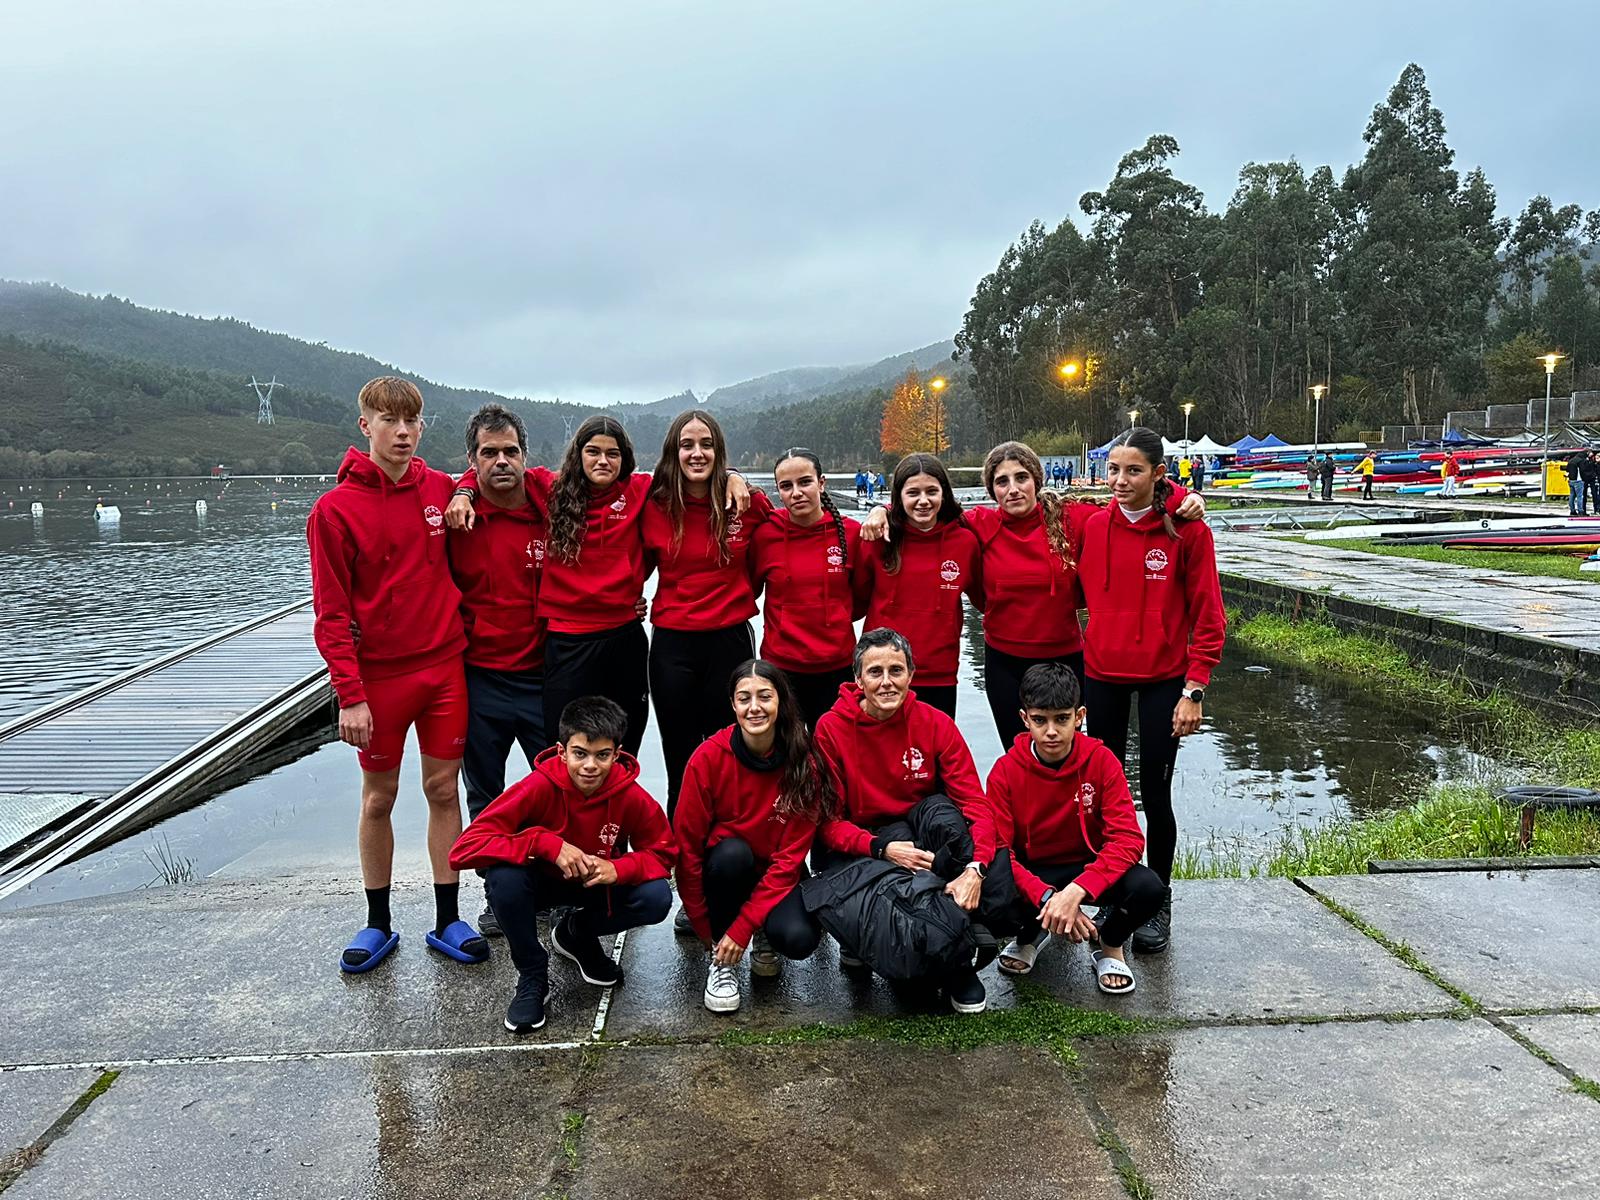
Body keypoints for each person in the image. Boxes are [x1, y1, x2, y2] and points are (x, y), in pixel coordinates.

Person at [307, 377, 483, 975]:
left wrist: (462, 490)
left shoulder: (437, 487)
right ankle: (378, 922)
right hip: (378, 682)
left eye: (412, 422)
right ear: (366, 427)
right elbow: (330, 614)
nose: (403, 432)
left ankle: (447, 917)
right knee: (379, 797)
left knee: (442, 791)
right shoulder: (333, 512)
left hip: (442, 670)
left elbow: (471, 479)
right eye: (389, 421)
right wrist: (348, 696)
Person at [1076, 427, 1225, 955]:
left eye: (1133, 470)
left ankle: (1158, 900)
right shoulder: (1092, 526)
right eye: (1113, 469)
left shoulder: (1187, 533)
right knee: (1104, 797)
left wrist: (1196, 688)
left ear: (1159, 474)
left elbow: (1209, 618)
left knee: (1156, 795)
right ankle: (1116, 893)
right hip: (1103, 678)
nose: (1120, 480)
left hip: (1165, 680)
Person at [448, 697, 675, 1034]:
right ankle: (532, 974)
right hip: (539, 882)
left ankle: (576, 934)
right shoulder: (537, 786)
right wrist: (544, 843)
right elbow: (464, 849)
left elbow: (664, 854)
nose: (590, 766)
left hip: (593, 883)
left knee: (656, 897)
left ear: (617, 753)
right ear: (561, 751)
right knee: (503, 878)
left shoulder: (630, 794)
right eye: (580, 753)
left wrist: (620, 868)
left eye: (602, 755)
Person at [812, 628, 998, 1013]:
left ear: (911, 675)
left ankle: (961, 951)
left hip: (916, 838)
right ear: (858, 679)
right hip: (863, 844)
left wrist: (976, 868)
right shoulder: (830, 729)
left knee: (944, 814)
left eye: (896, 670)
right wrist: (881, 848)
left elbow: (975, 804)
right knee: (908, 979)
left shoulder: (935, 723)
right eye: (875, 672)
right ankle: (915, 948)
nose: (886, 682)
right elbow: (827, 824)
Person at [990, 664, 1166, 994]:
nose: (1051, 731)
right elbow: (1000, 849)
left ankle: (1109, 941)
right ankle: (1031, 934)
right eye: (1040, 720)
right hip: (1036, 871)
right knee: (991, 895)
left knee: (1150, 888)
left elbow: (1127, 839)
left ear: (1080, 715)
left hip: (1086, 867)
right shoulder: (1004, 772)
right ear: (1025, 719)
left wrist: (1077, 892)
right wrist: (1047, 897)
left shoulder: (1102, 761)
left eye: (1062, 719)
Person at [674, 661, 835, 1013]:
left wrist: (745, 927)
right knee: (732, 854)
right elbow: (686, 850)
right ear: (732, 704)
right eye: (744, 698)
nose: (755, 707)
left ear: (781, 702)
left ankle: (762, 931)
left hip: (775, 873)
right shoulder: (708, 758)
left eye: (765, 696)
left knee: (799, 938)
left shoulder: (803, 762)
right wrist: (705, 926)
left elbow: (790, 859)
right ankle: (723, 961)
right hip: (727, 870)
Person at [447, 404, 548, 938]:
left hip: (542, 677)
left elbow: (625, 480)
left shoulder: (549, 501)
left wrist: (735, 476)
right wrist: (462, 491)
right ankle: (497, 895)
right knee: (485, 796)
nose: (501, 461)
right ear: (473, 459)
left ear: (525, 457)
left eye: (511, 451)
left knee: (552, 789)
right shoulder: (453, 512)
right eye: (489, 453)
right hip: (479, 678)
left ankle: (551, 891)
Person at [642, 410, 770, 823]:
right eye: (687, 445)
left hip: (729, 641)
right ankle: (678, 852)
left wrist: (736, 478)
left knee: (731, 747)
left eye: (707, 445)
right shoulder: (654, 503)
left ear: (719, 451)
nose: (697, 453)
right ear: (672, 452)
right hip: (672, 644)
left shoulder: (746, 503)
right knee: (680, 754)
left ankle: (734, 839)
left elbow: (795, 530)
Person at [857, 453, 983, 719]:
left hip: (939, 673)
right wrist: (881, 510)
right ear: (899, 496)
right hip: (882, 673)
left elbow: (985, 601)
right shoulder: (879, 539)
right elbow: (856, 600)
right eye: (913, 492)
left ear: (944, 494)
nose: (923, 501)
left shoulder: (965, 542)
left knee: (932, 756)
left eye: (931, 492)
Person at [749, 447, 867, 731]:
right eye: (786, 486)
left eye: (805, 482)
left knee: (833, 757)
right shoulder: (766, 535)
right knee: (787, 759)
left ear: (821, 483)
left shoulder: (850, 534)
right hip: (782, 668)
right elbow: (750, 588)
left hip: (837, 668)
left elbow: (860, 600)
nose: (796, 493)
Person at [1566, 451, 1587, 516]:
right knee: (1579, 496)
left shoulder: (1571, 460)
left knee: (1571, 496)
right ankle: (1580, 511)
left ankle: (1572, 511)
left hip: (1571, 480)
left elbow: (1567, 470)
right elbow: (1583, 470)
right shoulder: (1581, 461)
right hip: (1578, 480)